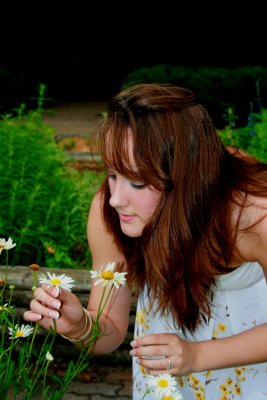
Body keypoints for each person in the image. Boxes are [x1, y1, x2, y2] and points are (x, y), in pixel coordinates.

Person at [24, 82, 267, 400]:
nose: (115, 199)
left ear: (186, 178)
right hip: (170, 362)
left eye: (138, 182)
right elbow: (106, 334)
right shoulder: (109, 212)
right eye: (112, 174)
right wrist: (79, 326)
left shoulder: (253, 215)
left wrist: (197, 356)